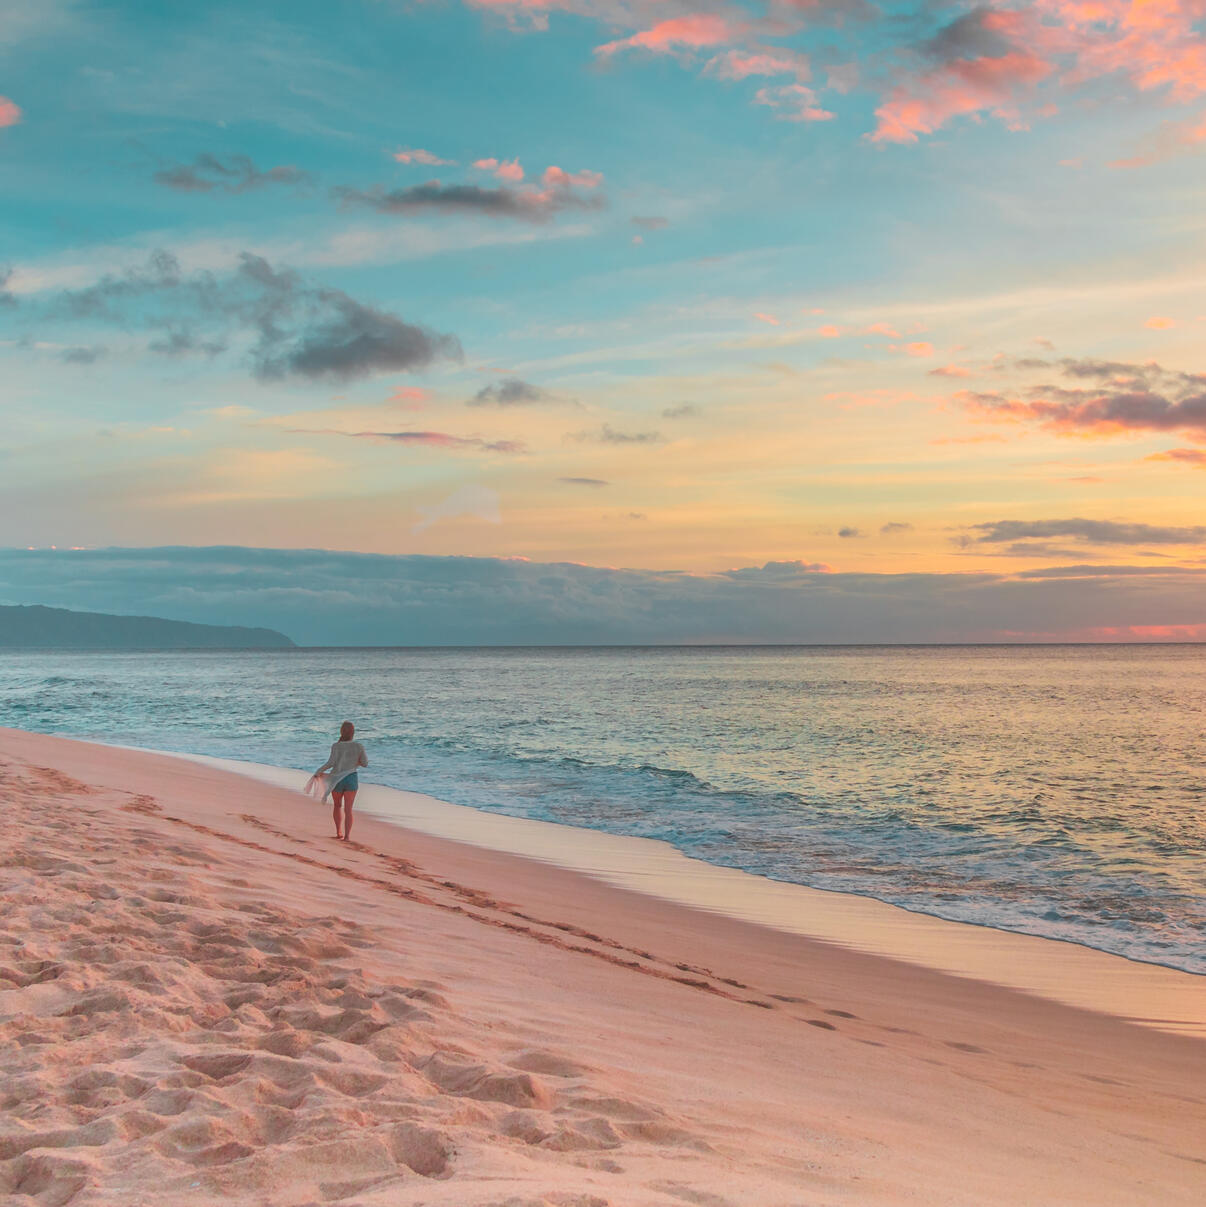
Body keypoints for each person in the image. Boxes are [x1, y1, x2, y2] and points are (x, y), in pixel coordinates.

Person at [314, 720, 368, 841]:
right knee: (348, 809)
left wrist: (319, 771)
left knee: (337, 806)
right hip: (351, 778)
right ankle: (347, 837)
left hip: (336, 779)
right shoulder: (358, 746)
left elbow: (330, 763)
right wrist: (355, 762)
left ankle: (339, 832)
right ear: (353, 732)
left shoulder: (336, 746)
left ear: (341, 732)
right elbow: (365, 763)